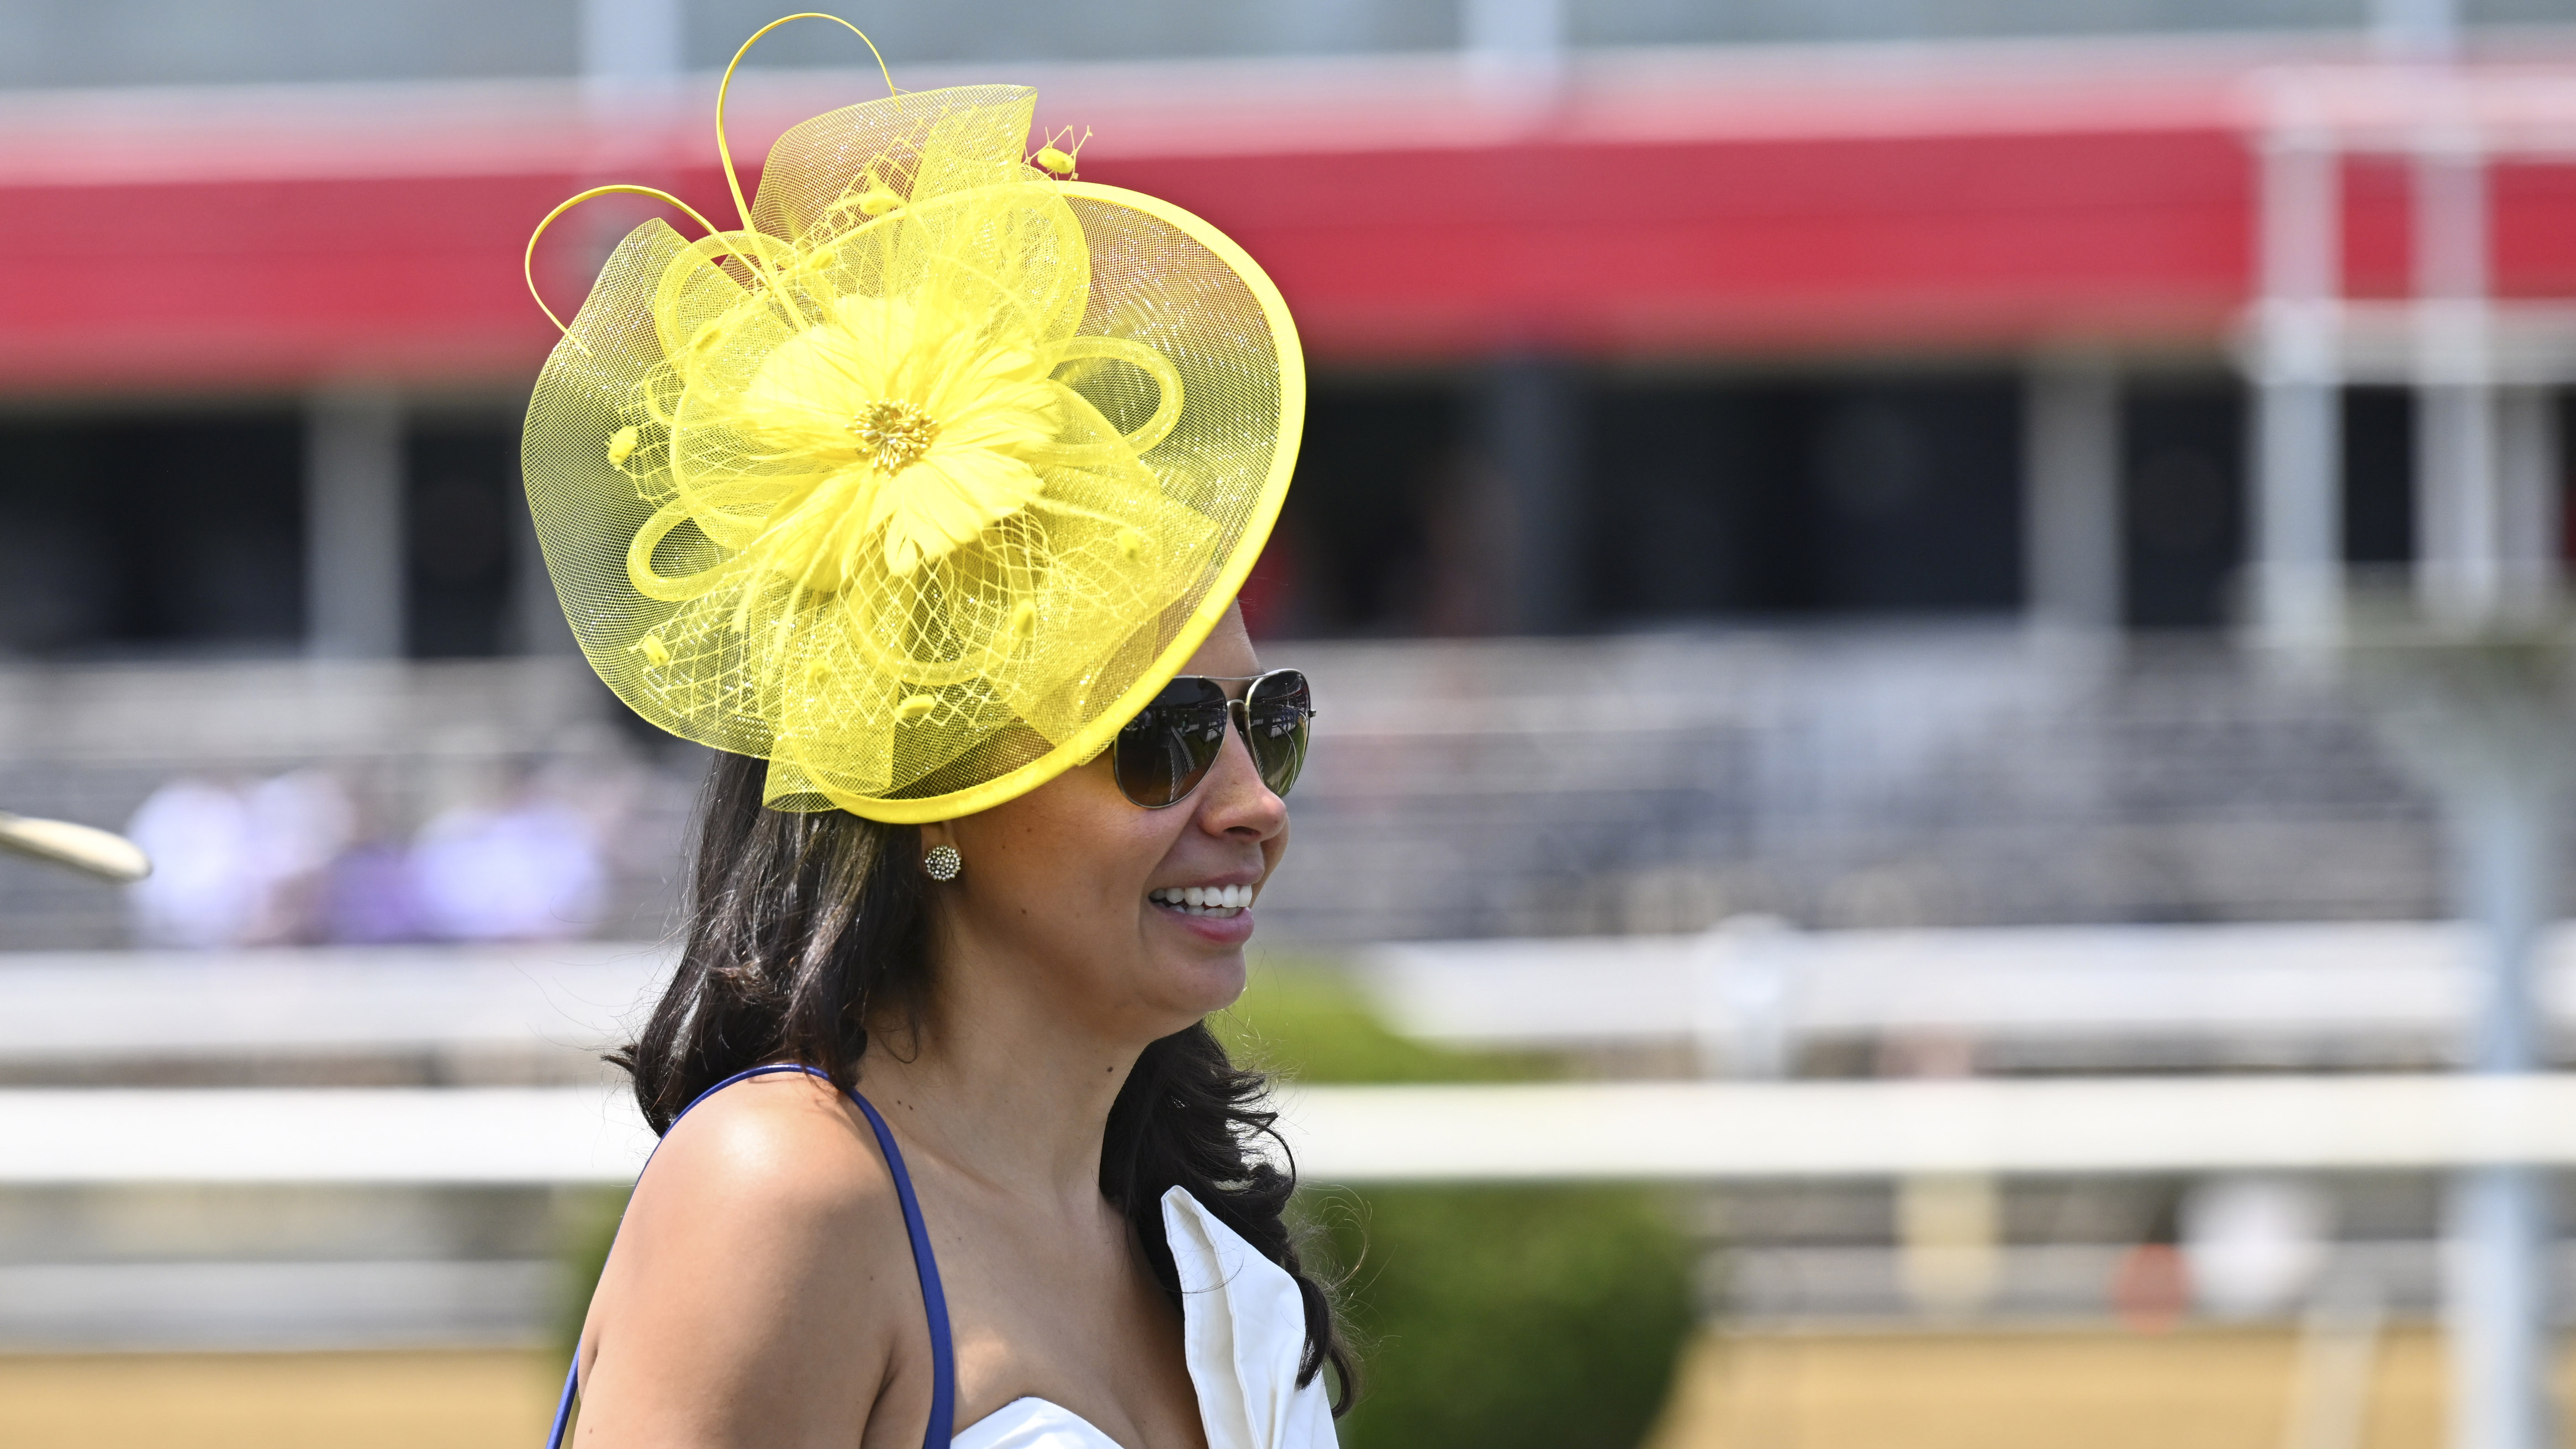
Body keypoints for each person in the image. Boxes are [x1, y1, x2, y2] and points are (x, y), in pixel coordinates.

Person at [520, 15, 1343, 1447]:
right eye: (1162, 735)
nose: (1254, 803)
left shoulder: (1192, 1235)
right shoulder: (786, 1196)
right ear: (938, 786)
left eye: (1269, 725)